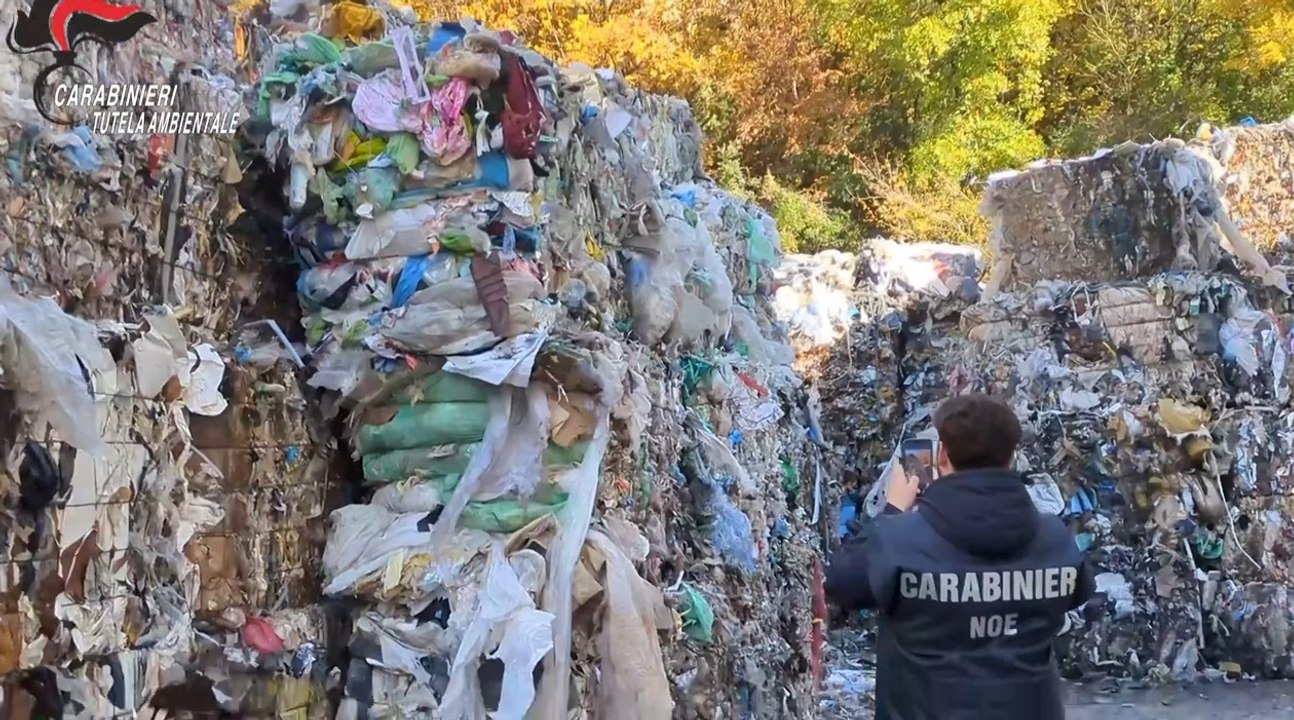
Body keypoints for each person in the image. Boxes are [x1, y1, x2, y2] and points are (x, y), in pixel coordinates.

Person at [825, 393, 1093, 719]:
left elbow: (841, 583)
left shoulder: (899, 538)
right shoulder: (1055, 538)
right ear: (1010, 458)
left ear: (942, 458)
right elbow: (1077, 593)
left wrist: (893, 510)